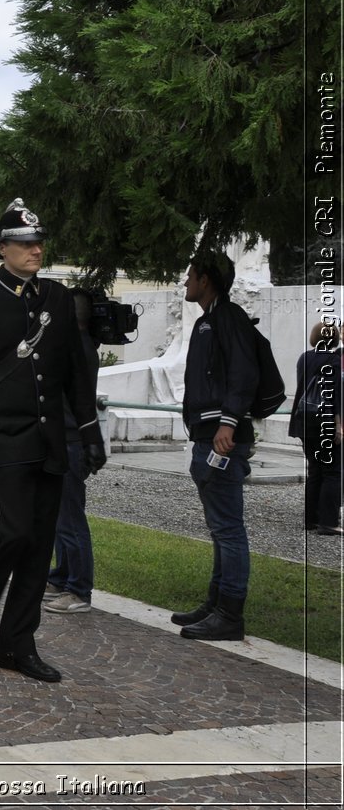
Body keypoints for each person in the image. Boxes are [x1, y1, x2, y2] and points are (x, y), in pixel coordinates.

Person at [0, 198, 104, 683]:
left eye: (39, 242)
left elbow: (76, 373)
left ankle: (17, 644)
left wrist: (89, 433)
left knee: (38, 545)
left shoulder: (56, 298)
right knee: (10, 531)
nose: (36, 250)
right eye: (26, 244)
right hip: (3, 435)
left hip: (51, 438)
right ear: (3, 248)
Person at [173, 249, 257, 640]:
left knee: (228, 528)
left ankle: (230, 615)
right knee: (219, 527)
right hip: (208, 435)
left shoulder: (229, 318)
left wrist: (229, 422)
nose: (186, 282)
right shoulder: (210, 320)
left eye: (190, 275)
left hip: (223, 438)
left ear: (205, 279)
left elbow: (243, 373)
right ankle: (216, 602)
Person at [44, 288, 104, 615]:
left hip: (70, 441)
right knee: (59, 517)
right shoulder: (78, 346)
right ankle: (62, 575)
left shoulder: (77, 350)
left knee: (70, 519)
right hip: (63, 440)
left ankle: (79, 588)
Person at [292, 321, 341, 534]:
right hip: (325, 420)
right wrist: (338, 425)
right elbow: (334, 396)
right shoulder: (334, 360)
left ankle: (310, 519)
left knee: (315, 471)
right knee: (332, 472)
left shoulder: (305, 357)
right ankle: (328, 522)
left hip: (304, 421)